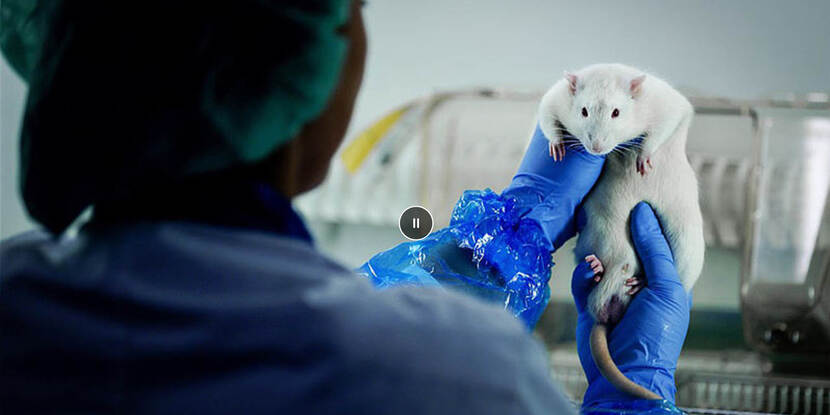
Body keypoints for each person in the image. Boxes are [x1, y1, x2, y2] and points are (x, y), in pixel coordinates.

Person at [0, 0, 690, 413]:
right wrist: (635, 392)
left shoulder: (16, 310)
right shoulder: (464, 379)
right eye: (351, 7)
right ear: (301, 74)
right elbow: (370, 341)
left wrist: (502, 240)